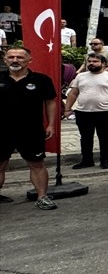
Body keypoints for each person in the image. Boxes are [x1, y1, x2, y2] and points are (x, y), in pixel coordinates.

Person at [0, 47, 58, 209]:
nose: (15, 60)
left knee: (37, 164)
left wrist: (51, 124)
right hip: (2, 131)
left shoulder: (41, 80)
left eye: (20, 57)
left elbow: (50, 102)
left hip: (31, 130)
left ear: (29, 60)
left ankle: (42, 197)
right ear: (5, 60)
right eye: (11, 57)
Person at [63, 52, 108, 169]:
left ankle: (104, 160)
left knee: (104, 137)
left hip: (104, 112)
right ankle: (87, 160)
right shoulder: (81, 76)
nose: (92, 63)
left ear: (103, 63)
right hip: (83, 112)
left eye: (95, 61)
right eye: (89, 61)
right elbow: (73, 93)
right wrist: (67, 109)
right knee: (85, 138)